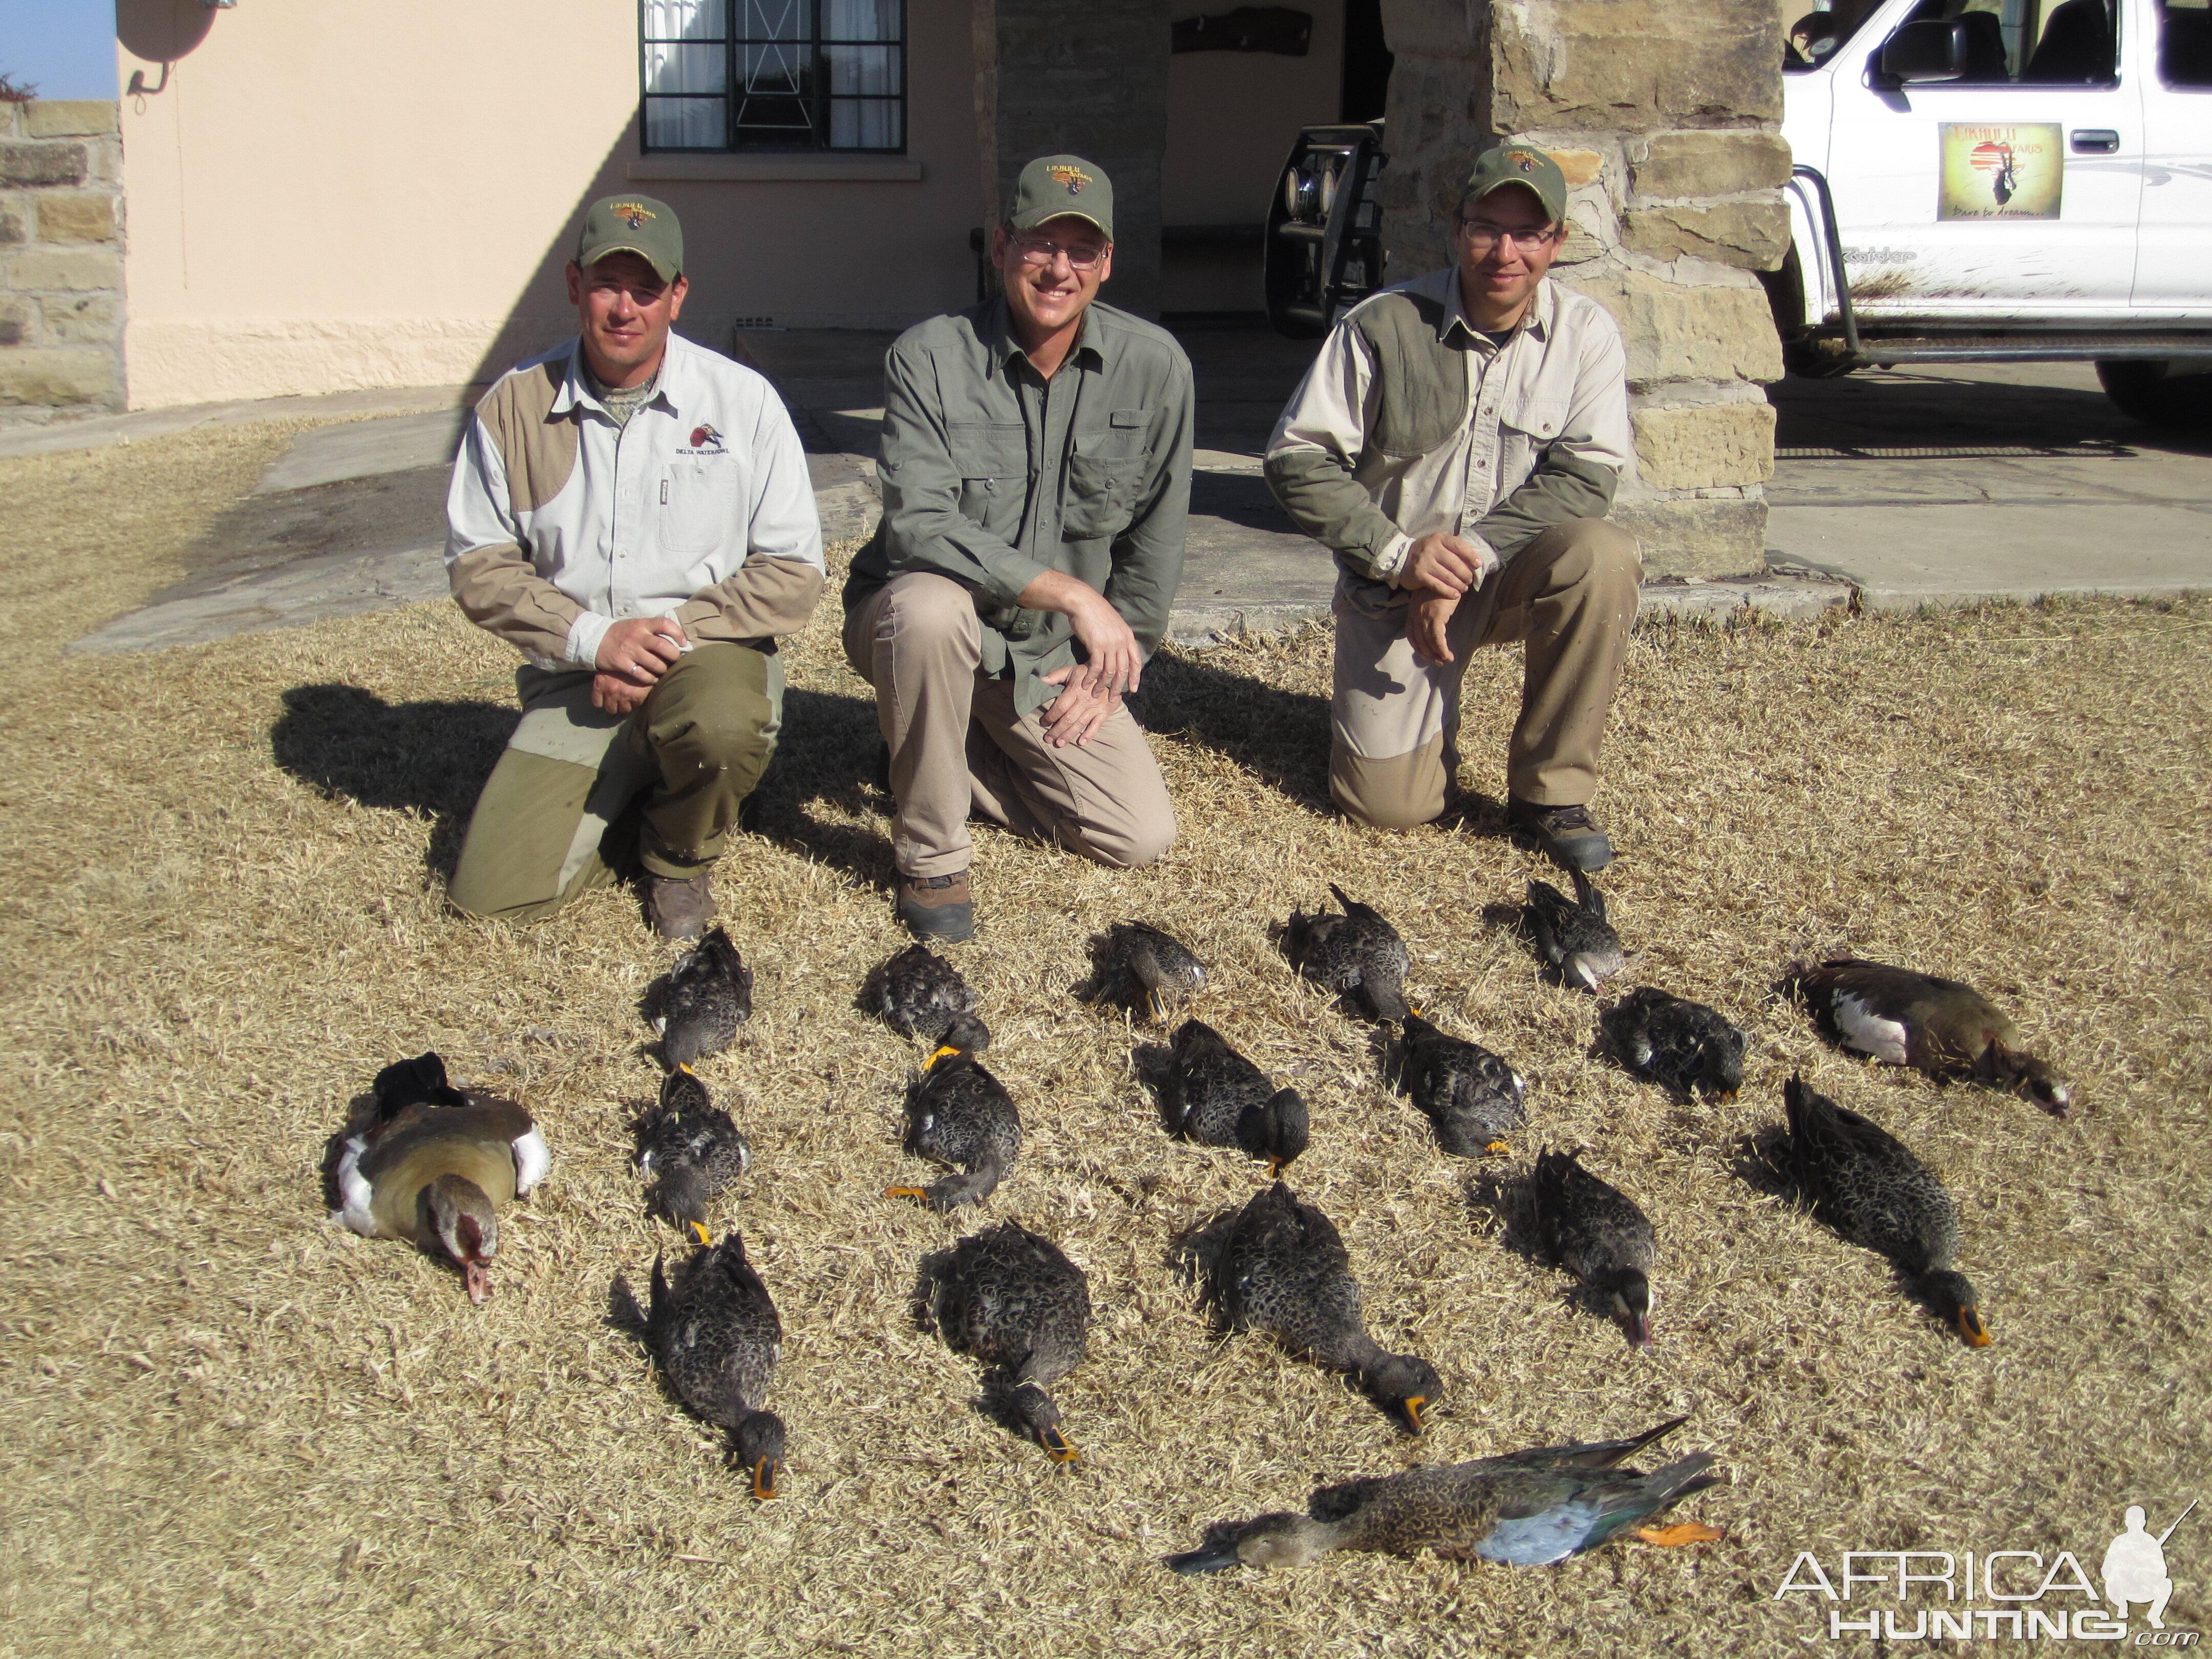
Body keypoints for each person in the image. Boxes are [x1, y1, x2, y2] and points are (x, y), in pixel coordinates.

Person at [443, 195, 824, 939]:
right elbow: (478, 564)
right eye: (608, 283)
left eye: (646, 289)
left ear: (677, 295)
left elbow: (792, 570)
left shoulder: (742, 402)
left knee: (722, 727)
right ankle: (640, 787)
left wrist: (656, 641)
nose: (626, 308)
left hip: (703, 661)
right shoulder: (512, 408)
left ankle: (679, 854)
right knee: (494, 897)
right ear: (573, 284)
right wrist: (594, 640)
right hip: (574, 674)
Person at [843, 154, 1195, 942]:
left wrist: (1117, 658)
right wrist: (1073, 595)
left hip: (1040, 660)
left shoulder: (1157, 368)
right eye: (1040, 243)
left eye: (1081, 249)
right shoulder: (928, 357)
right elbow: (919, 526)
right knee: (932, 609)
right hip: (922, 624)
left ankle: (931, 748)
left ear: (1108, 263)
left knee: (1137, 836)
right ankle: (932, 854)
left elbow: (1156, 538)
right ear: (1002, 247)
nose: (1058, 268)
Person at [1264, 142, 1639, 873]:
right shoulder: (1380, 324)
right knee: (1389, 807)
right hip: (1393, 581)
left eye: (1528, 233)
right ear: (1454, 227)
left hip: (1507, 571)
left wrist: (1460, 564)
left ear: (1557, 243)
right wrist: (1403, 559)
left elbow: (1587, 476)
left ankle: (1550, 792)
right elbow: (1296, 459)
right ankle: (1411, 727)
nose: (1505, 251)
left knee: (1604, 554)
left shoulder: (1586, 334)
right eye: (1485, 227)